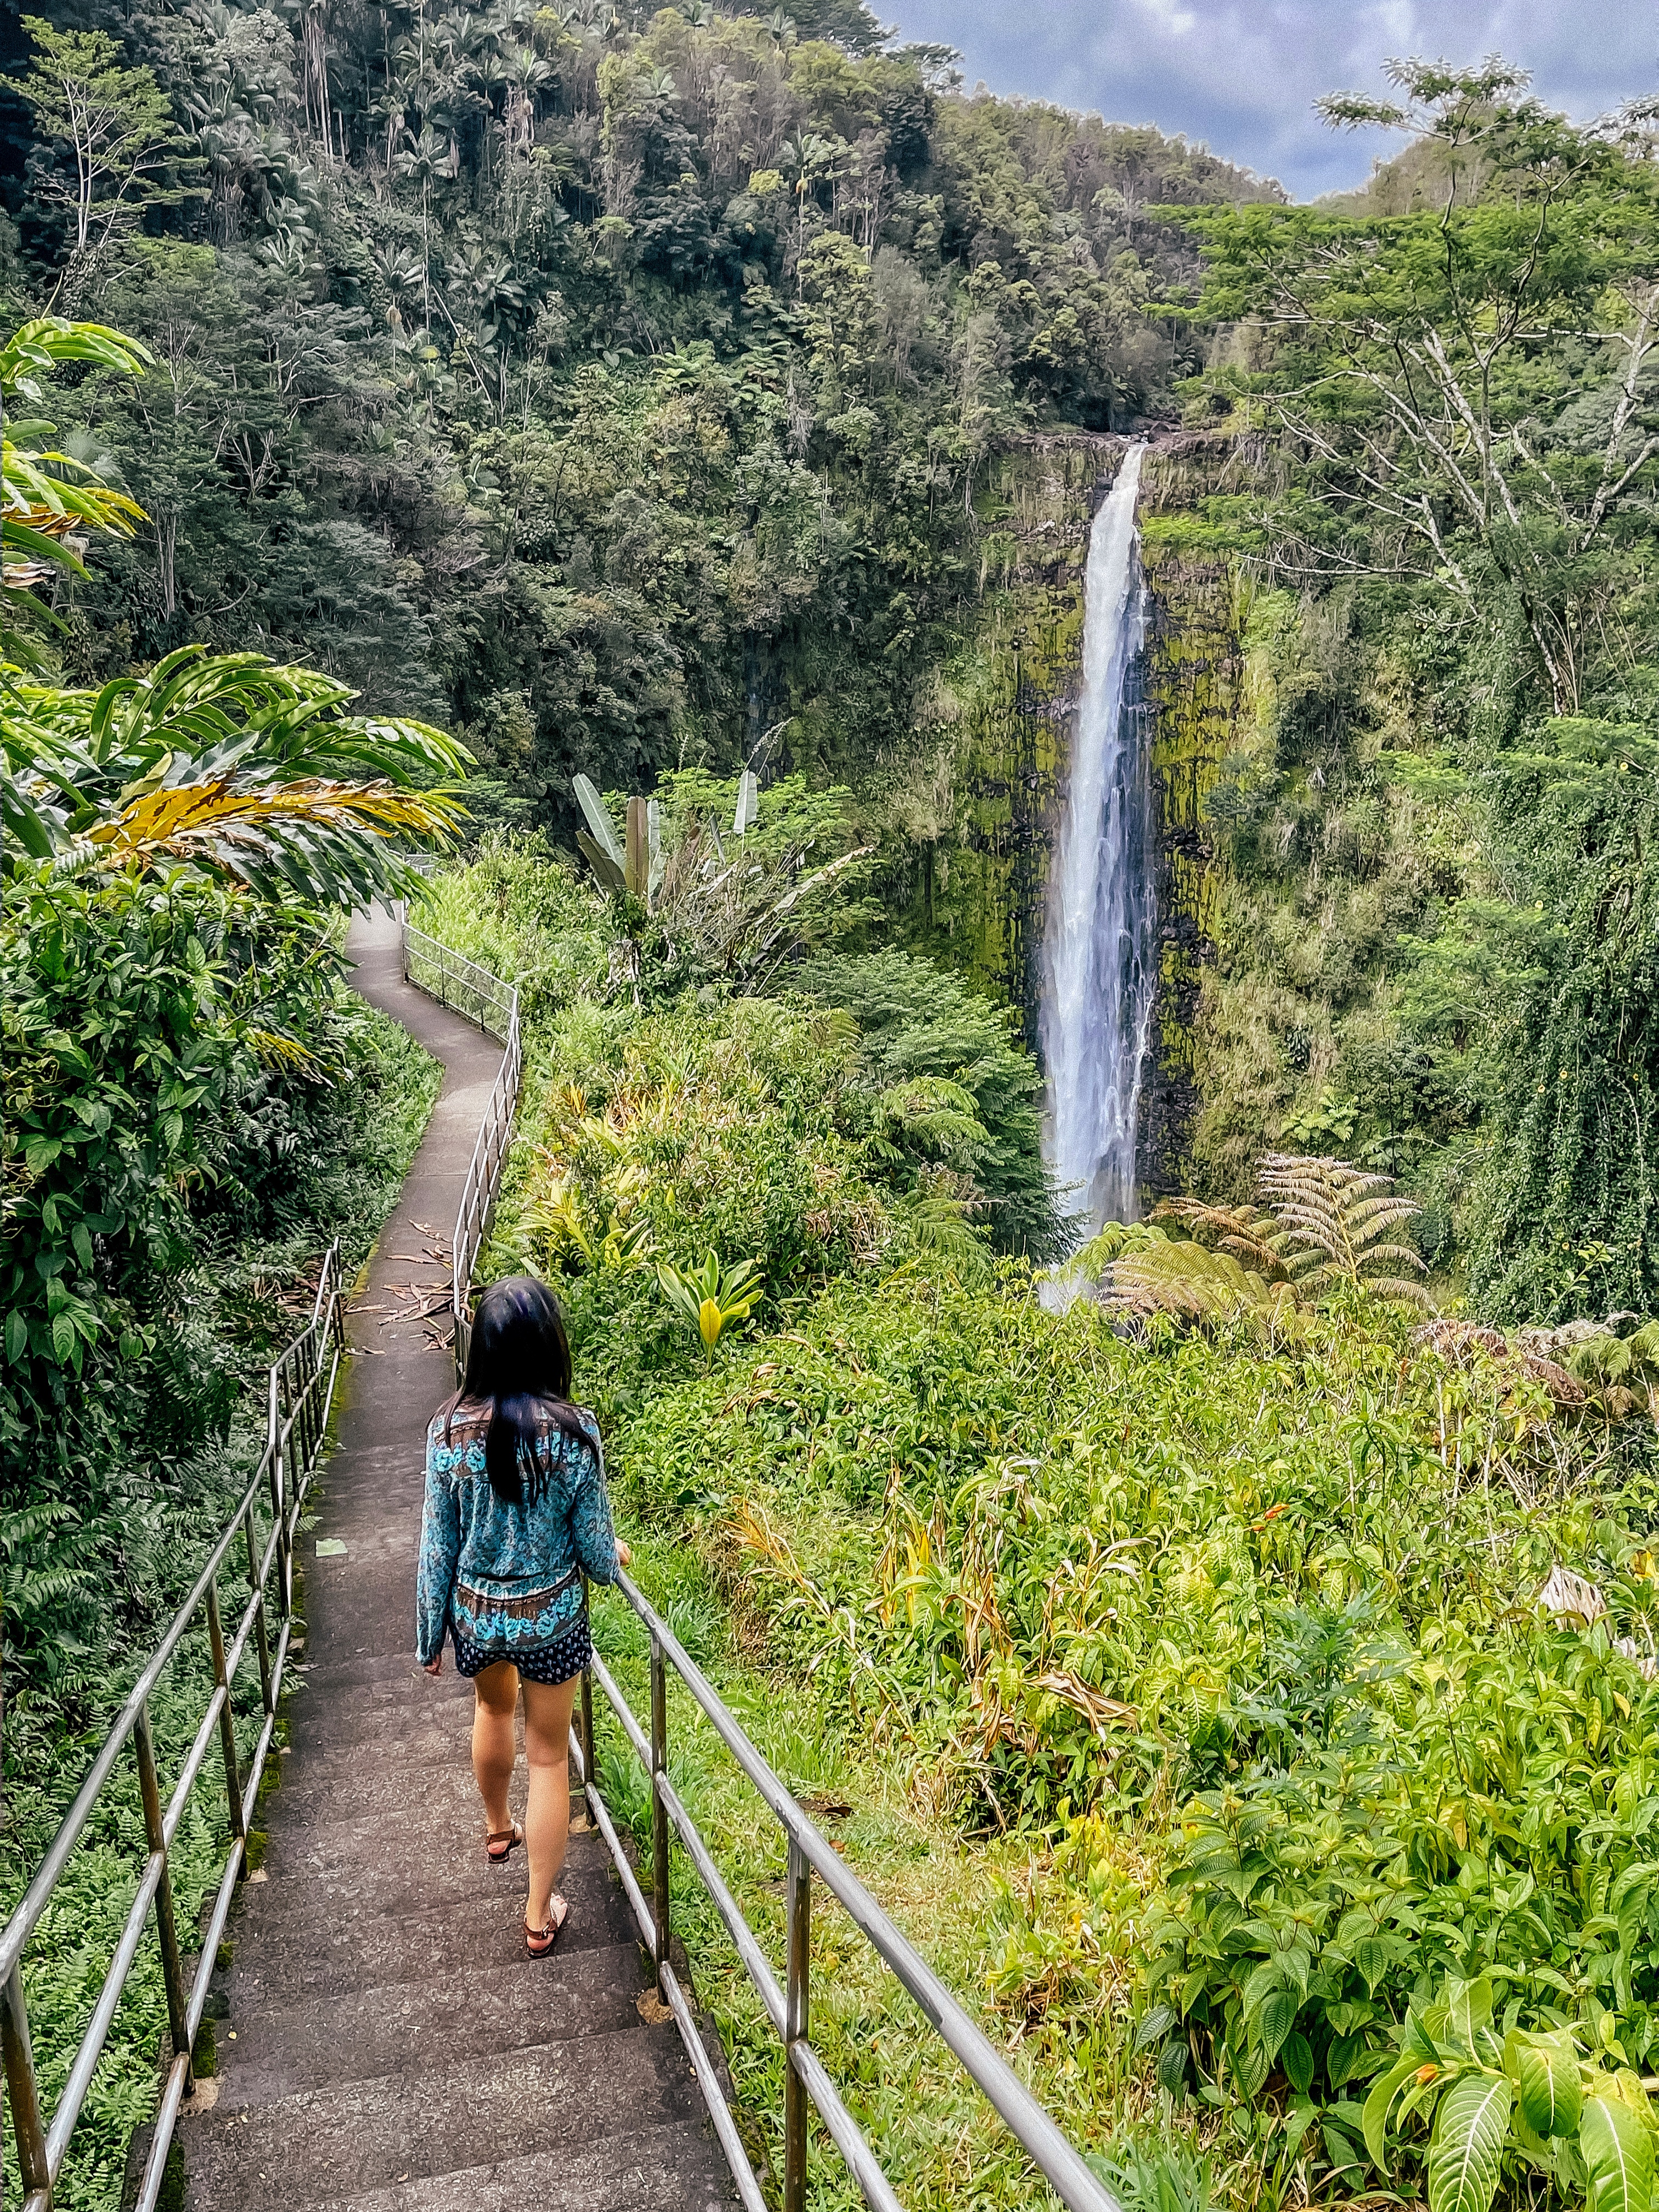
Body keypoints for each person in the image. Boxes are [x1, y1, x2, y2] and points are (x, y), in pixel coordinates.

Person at [416, 1275, 629, 1955]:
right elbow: (597, 1556)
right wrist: (614, 1553)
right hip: (552, 1618)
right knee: (547, 1758)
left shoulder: (447, 1432)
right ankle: (539, 1915)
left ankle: (496, 1826)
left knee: (492, 1713)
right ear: (550, 1347)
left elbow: (436, 1544)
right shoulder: (575, 1433)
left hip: (477, 1616)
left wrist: (429, 1635)